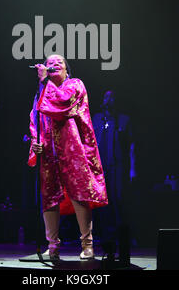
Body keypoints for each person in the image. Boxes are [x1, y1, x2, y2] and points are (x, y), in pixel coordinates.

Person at [27, 54, 108, 260]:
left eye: (58, 62)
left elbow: (62, 104)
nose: (53, 65)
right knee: (49, 198)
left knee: (79, 194)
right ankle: (52, 247)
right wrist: (35, 144)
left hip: (72, 149)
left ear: (66, 69)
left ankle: (87, 244)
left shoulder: (75, 85)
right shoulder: (40, 93)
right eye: (49, 63)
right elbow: (35, 121)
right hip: (49, 151)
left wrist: (45, 80)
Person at [92, 90, 136, 253]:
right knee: (103, 203)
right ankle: (105, 238)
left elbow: (131, 145)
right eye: (106, 96)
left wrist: (133, 168)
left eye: (112, 96)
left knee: (118, 200)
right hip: (100, 168)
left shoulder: (124, 120)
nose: (109, 99)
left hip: (118, 167)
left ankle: (123, 237)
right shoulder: (97, 119)